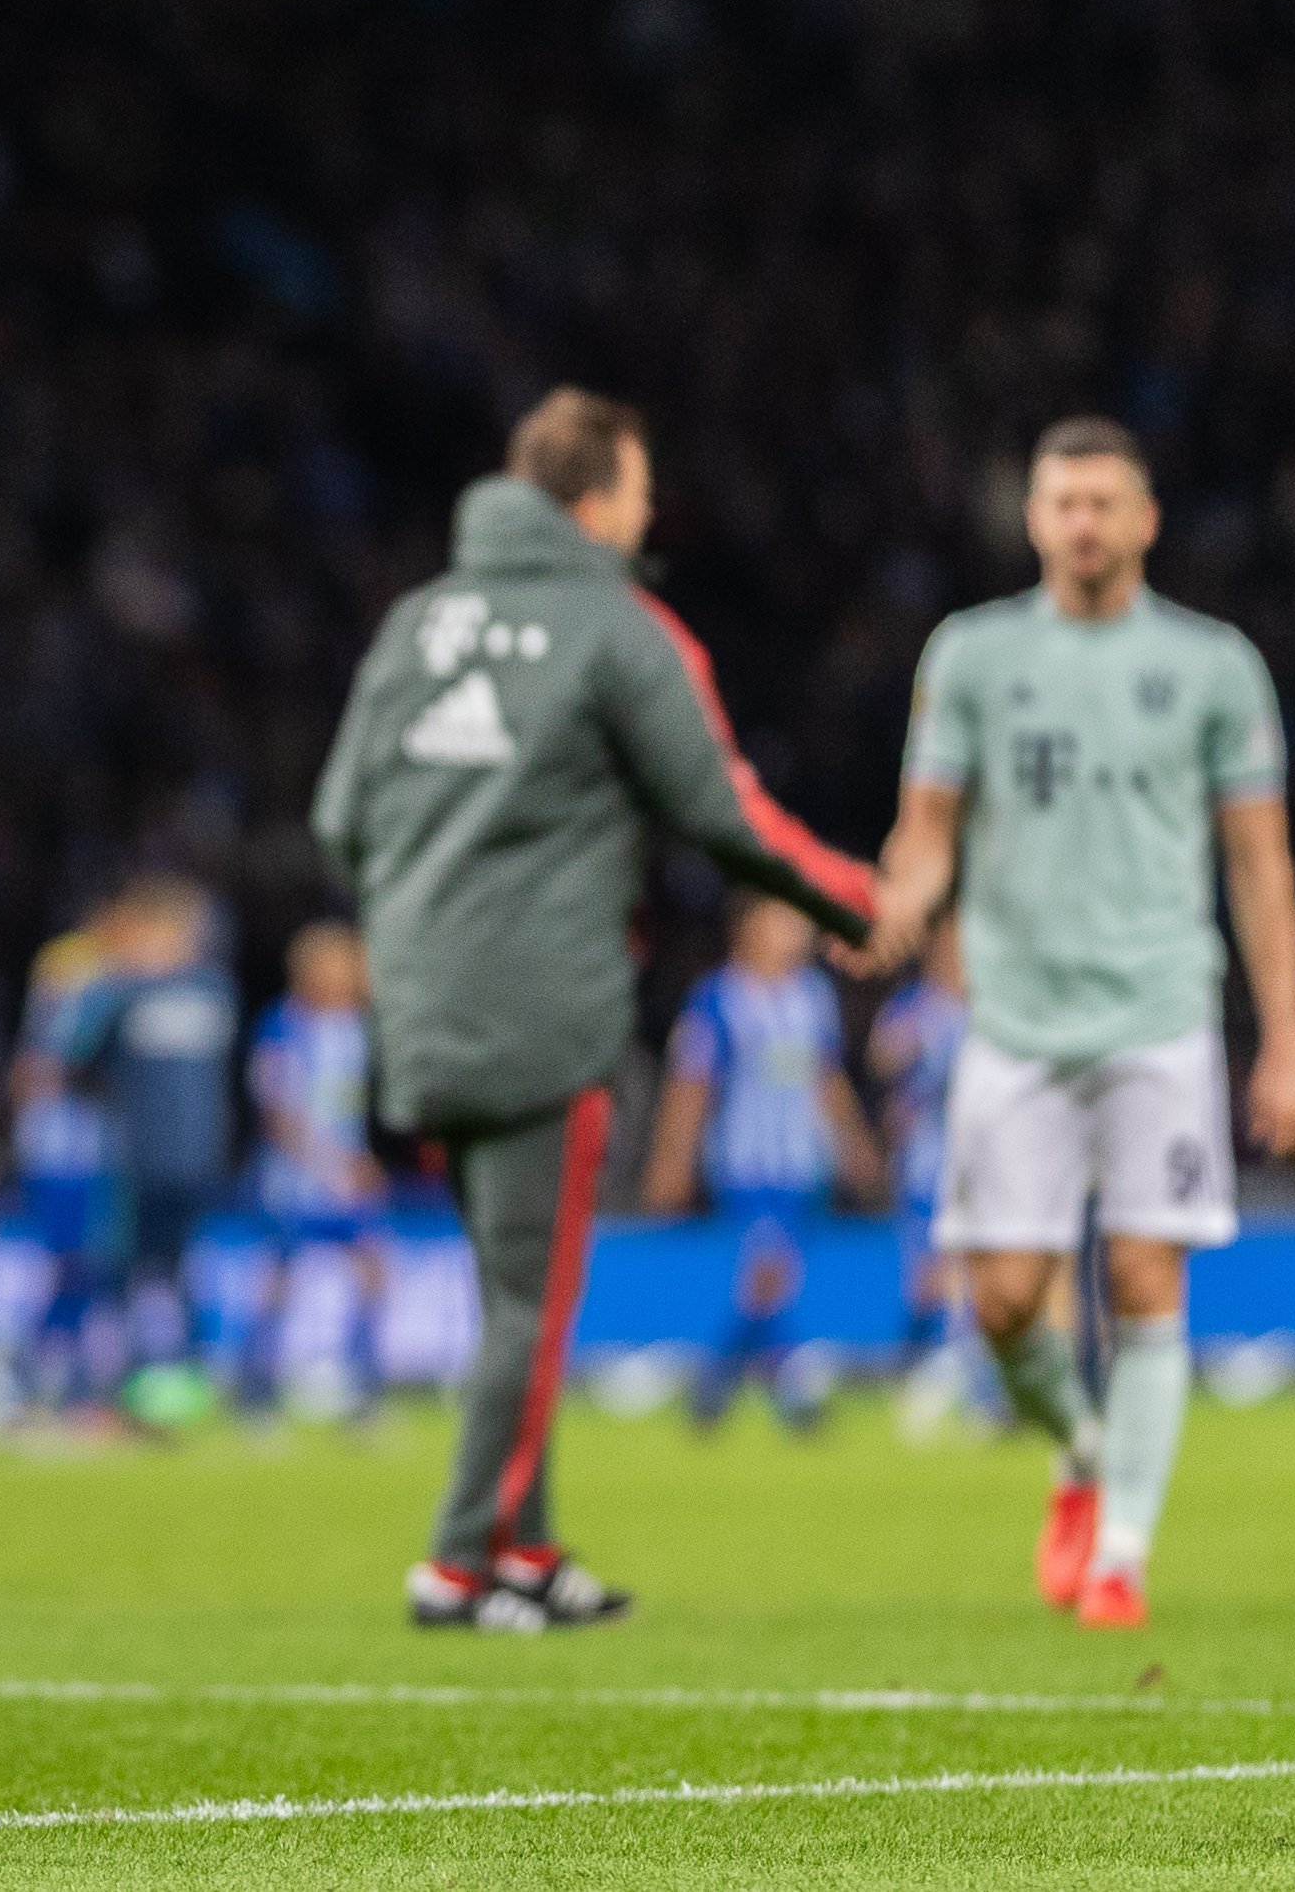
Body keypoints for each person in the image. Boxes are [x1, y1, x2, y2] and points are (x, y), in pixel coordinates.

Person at [314, 386, 872, 1633]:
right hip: (545, 1014)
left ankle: (525, 1550)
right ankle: (458, 1562)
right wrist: (850, 901)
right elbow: (722, 810)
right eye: (640, 489)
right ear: (595, 499)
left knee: (505, 1284)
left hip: (421, 1011)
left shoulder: (417, 622)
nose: (649, 511)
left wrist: (428, 929)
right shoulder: (619, 629)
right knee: (532, 1299)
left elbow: (339, 817)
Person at [859, 415, 1295, 1630]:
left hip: (1159, 1008)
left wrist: (1285, 1036)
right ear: (1031, 520)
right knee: (1005, 1301)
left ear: (1145, 521)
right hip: (1012, 1019)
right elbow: (927, 834)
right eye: (1062, 503)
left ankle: (1119, 1553)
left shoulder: (1215, 666)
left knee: (1142, 1270)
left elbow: (1259, 863)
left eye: (1103, 503)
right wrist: (893, 905)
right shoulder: (970, 656)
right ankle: (1076, 1448)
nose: (1082, 523)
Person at [644, 897, 883, 1431]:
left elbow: (827, 1081)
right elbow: (691, 1087)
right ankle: (792, 1388)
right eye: (783, 921)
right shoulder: (717, 1000)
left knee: (776, 1277)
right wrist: (673, 1161)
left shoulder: (813, 998)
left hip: (804, 1166)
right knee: (768, 1273)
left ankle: (715, 1380)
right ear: (748, 929)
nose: (797, 932)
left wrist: (856, 1149)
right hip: (744, 1166)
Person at [48, 876, 242, 1421]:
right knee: (116, 1272)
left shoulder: (213, 990)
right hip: (132, 1161)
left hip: (195, 1159)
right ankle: (106, 1389)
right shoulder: (119, 991)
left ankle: (196, 1383)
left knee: (183, 1273)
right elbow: (72, 1061)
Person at [245, 921, 387, 1420]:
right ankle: (256, 1394)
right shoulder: (281, 1027)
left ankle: (363, 1392)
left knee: (373, 1272)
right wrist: (332, 1164)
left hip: (346, 1182)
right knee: (280, 1279)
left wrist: (361, 1162)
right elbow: (277, 1113)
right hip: (295, 1181)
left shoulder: (357, 1029)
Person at [9, 910, 125, 1416]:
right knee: (73, 1269)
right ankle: (43, 1379)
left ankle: (58, 1379)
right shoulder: (62, 1040)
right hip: (64, 1162)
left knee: (78, 1271)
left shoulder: (44, 1047)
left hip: (73, 1158)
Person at [871, 913, 976, 1423]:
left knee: (970, 1279)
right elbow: (880, 1057)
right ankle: (916, 1372)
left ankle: (970, 1391)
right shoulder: (913, 1010)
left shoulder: (989, 1010)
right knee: (927, 1284)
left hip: (980, 1170)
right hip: (923, 1168)